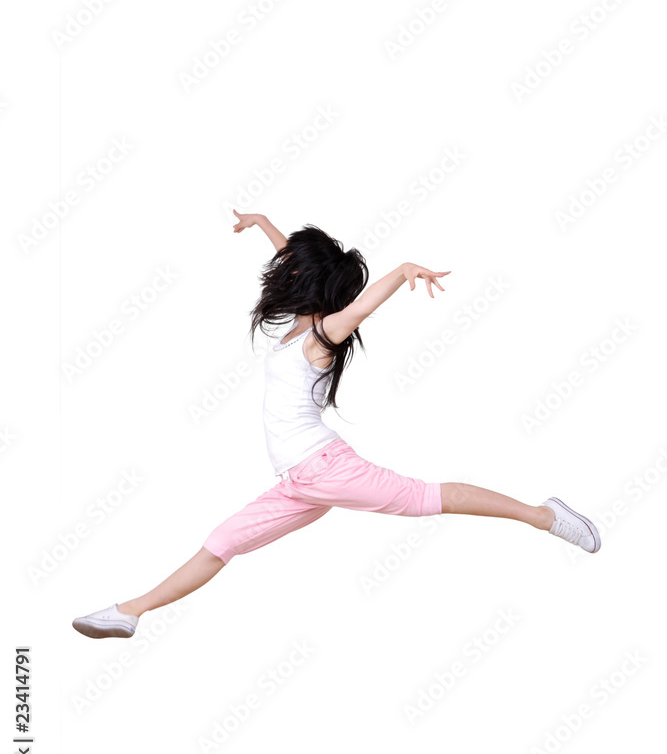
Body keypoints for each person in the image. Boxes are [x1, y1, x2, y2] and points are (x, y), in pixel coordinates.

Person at [72, 211, 600, 639]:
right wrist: (261, 223)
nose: (284, 272)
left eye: (294, 269)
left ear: (309, 284)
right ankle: (130, 612)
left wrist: (403, 269)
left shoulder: (324, 333)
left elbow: (364, 305)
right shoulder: (301, 324)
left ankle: (542, 515)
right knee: (222, 541)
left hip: (323, 467)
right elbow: (291, 260)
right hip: (300, 481)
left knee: (427, 497)